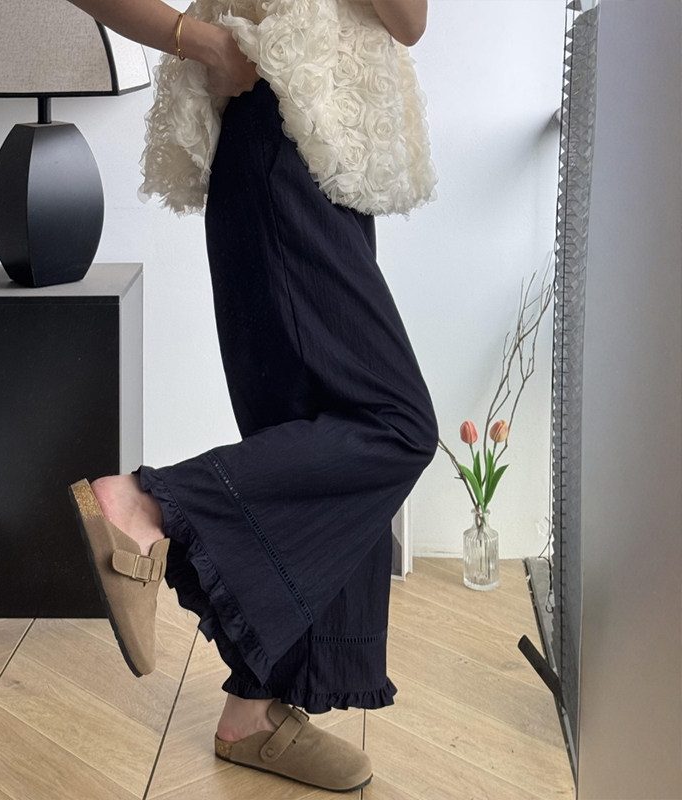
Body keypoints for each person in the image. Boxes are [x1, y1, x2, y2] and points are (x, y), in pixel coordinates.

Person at [67, 0, 437, 792]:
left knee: (315, 425)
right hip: (281, 140)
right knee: (396, 424)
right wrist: (194, 38)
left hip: (329, 151)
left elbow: (407, 21)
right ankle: (141, 506)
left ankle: (253, 711)